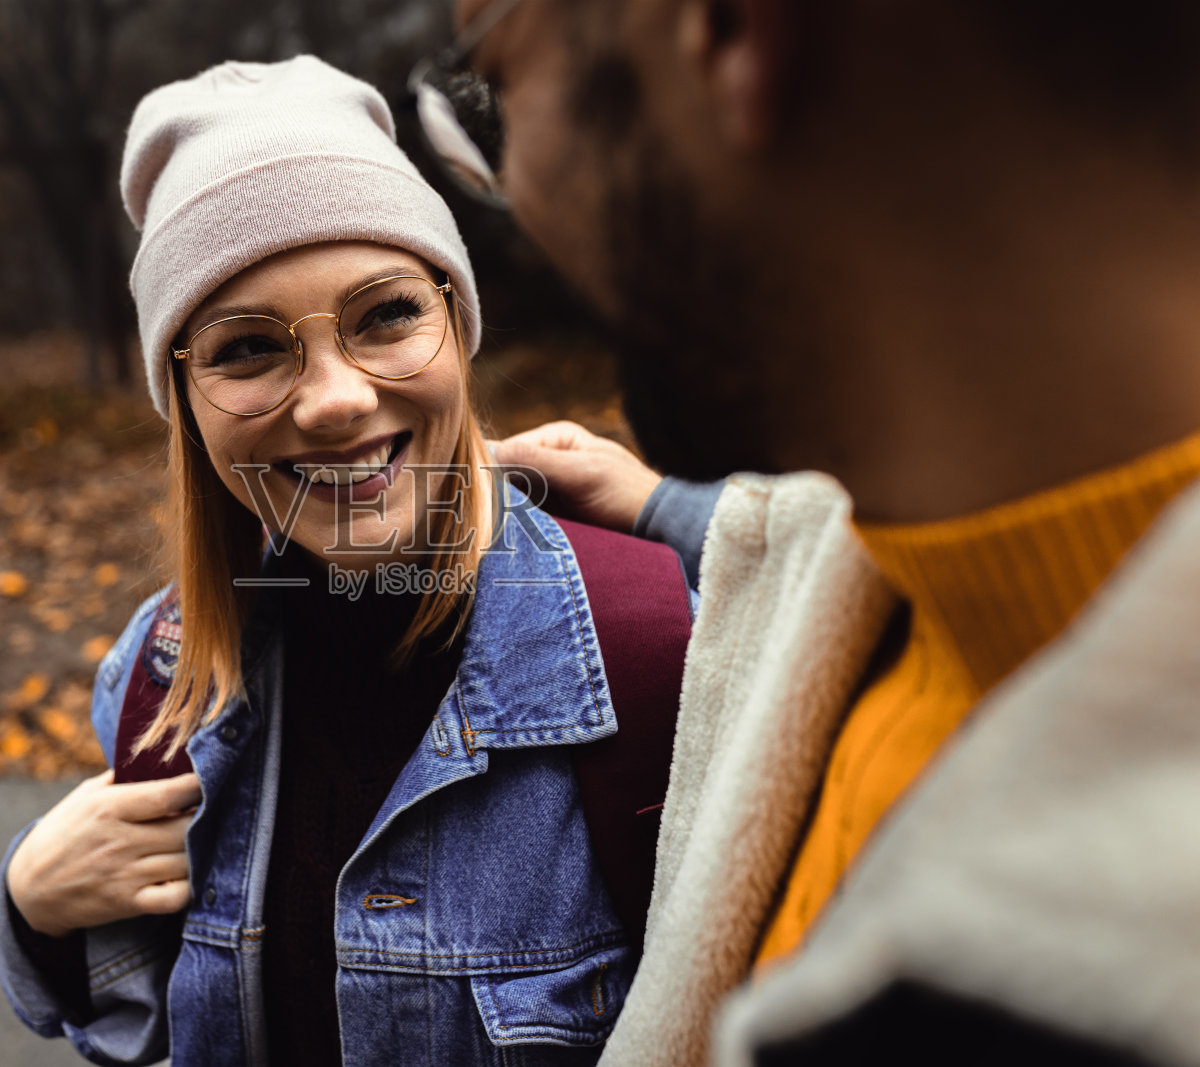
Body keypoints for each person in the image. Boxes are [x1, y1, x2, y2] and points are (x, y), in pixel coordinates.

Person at [411, 0, 1200, 1064]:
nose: (521, 198)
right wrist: (670, 510)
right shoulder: (892, 563)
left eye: (495, 85)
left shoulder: (1032, 1017)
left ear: (731, 32)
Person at [0, 56, 698, 1066]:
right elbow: (140, 1028)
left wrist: (692, 517)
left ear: (455, 322)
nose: (333, 399)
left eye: (385, 316)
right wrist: (34, 911)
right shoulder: (164, 668)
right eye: (246, 349)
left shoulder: (664, 643)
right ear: (184, 402)